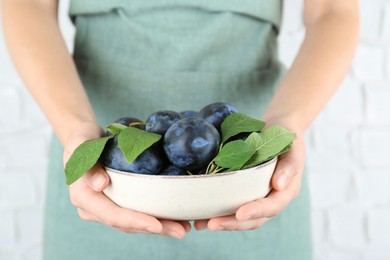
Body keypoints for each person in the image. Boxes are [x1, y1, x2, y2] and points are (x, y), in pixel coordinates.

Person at [2, 0, 359, 259]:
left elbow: (334, 11)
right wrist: (75, 128)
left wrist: (285, 125)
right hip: (102, 168)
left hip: (250, 175)